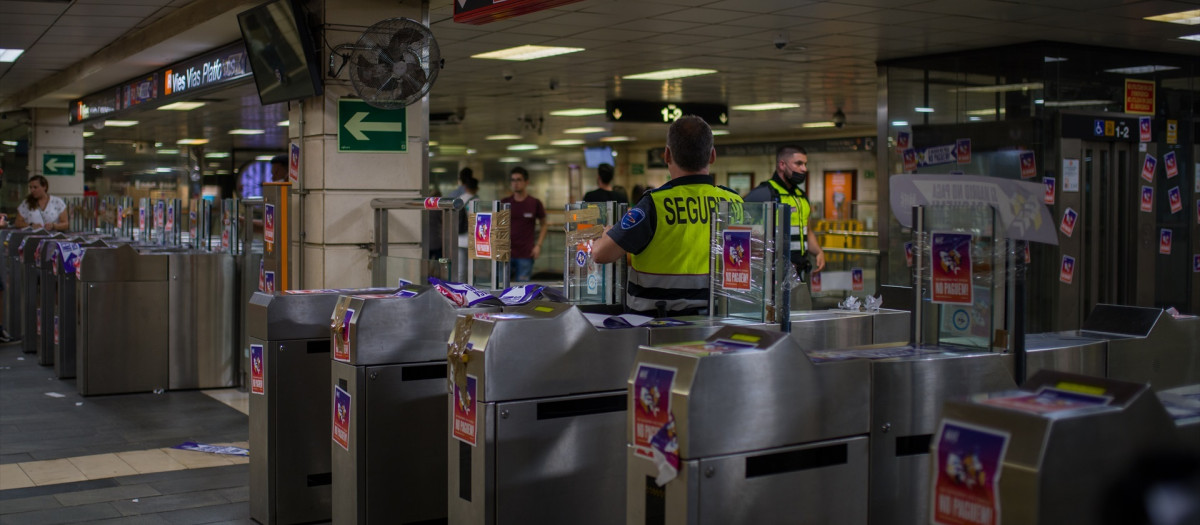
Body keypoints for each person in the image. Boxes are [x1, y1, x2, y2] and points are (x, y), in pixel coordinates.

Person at [593, 115, 742, 317]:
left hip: (656, 326)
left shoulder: (655, 204)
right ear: (712, 156)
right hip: (717, 321)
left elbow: (601, 254)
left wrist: (608, 233)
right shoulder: (734, 202)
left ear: (666, 155)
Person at [744, 145, 826, 308]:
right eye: (798, 163)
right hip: (773, 278)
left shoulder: (801, 197)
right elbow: (744, 233)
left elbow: (806, 231)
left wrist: (818, 251)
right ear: (782, 165)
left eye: (805, 164)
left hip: (800, 274)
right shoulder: (763, 194)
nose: (804, 169)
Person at [501, 167, 547, 282]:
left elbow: (544, 225)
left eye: (518, 180)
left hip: (525, 254)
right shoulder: (505, 203)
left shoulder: (534, 203)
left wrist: (538, 245)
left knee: (521, 289)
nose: (515, 183)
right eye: (513, 180)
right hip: (506, 253)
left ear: (526, 182)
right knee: (501, 288)